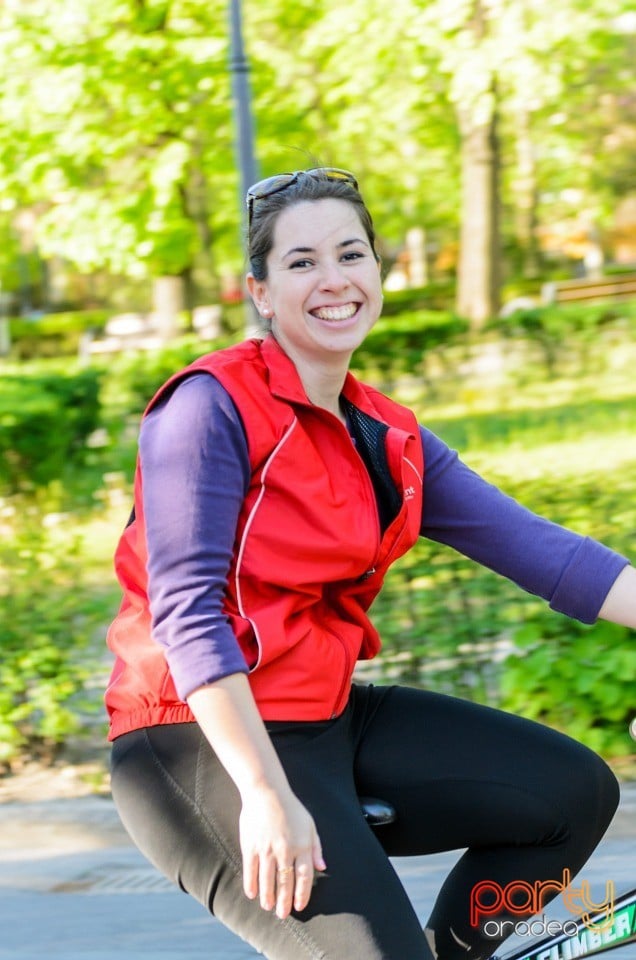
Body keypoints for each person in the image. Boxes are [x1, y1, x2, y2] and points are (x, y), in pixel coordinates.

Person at [105, 168, 635, 960]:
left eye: (351, 254)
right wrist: (263, 793)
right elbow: (186, 612)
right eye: (301, 261)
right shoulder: (207, 407)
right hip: (197, 741)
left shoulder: (388, 436)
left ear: (378, 274)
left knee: (572, 794)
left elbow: (548, 555)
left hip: (327, 718)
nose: (334, 279)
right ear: (261, 291)